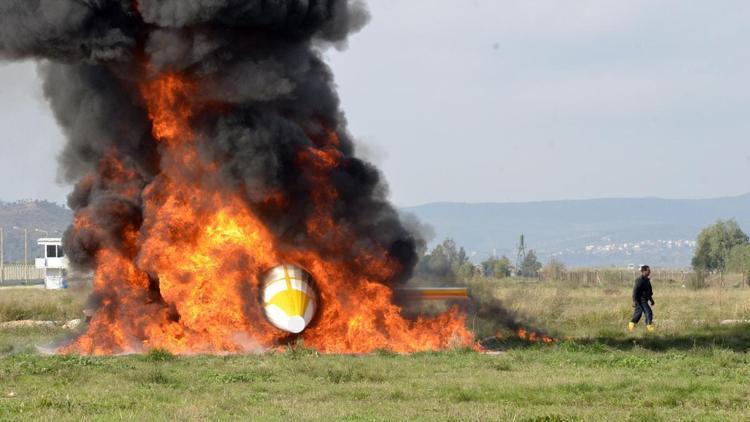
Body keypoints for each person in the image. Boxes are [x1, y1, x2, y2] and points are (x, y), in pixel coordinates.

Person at [628, 265, 655, 332]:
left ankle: (632, 327)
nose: (650, 271)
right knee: (648, 313)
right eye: (648, 270)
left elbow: (648, 292)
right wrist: (634, 301)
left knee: (639, 313)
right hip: (640, 300)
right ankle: (650, 328)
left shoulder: (647, 280)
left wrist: (651, 300)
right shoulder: (640, 280)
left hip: (644, 300)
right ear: (644, 271)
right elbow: (635, 290)